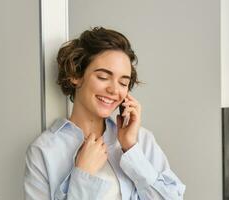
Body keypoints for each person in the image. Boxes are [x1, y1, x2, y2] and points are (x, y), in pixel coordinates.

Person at [24, 27, 185, 200]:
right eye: (103, 77)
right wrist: (83, 175)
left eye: (123, 83)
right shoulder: (44, 151)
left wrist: (131, 149)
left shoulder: (142, 141)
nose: (114, 90)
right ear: (76, 74)